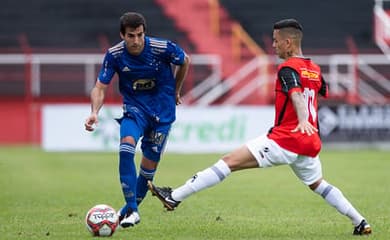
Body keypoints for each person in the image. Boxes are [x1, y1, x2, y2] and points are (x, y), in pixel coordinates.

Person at [148, 18, 372, 235]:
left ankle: (174, 197)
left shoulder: (287, 68)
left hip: (287, 139)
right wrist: (306, 117)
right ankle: (360, 221)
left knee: (228, 162)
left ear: (288, 43)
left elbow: (297, 96)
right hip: (310, 142)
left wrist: (302, 119)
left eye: (276, 41)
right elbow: (321, 90)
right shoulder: (314, 68)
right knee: (318, 185)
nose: (273, 45)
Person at [84, 12, 190, 228]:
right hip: (135, 110)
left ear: (144, 33)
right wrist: (95, 111)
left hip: (163, 112)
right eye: (131, 36)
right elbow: (99, 87)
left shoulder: (162, 48)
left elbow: (185, 60)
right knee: (126, 148)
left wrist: (176, 91)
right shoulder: (114, 55)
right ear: (122, 35)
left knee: (148, 170)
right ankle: (133, 209)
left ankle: (127, 211)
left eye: (140, 35)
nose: (136, 40)